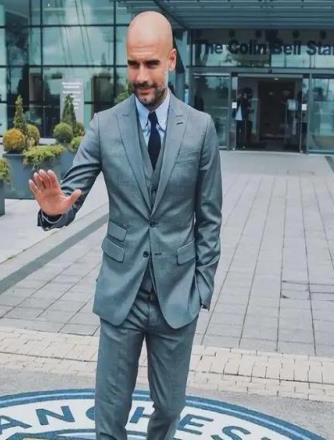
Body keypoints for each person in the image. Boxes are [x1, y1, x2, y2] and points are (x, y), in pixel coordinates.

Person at [30, 11, 222, 440]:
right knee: (109, 411)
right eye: (133, 64)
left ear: (171, 60)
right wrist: (55, 209)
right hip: (122, 292)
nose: (141, 76)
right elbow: (70, 196)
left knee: (170, 407)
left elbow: (210, 218)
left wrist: (201, 288)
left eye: (151, 64)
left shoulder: (200, 129)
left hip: (177, 294)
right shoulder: (105, 126)